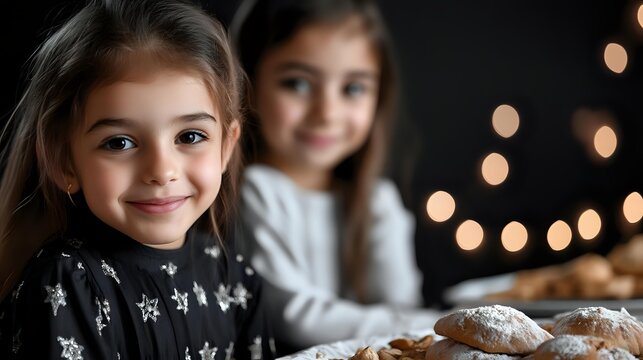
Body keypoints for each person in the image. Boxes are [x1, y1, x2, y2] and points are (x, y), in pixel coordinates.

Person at [0, 0, 275, 358]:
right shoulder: (68, 286)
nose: (161, 171)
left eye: (190, 136)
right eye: (120, 143)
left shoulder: (236, 281)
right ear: (63, 162)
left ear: (225, 148)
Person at [230, 0, 441, 353]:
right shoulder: (254, 191)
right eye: (297, 84)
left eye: (353, 89)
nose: (327, 113)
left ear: (379, 96)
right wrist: (432, 320)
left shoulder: (377, 199)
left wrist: (413, 320)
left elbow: (401, 303)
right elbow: (295, 318)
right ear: (247, 83)